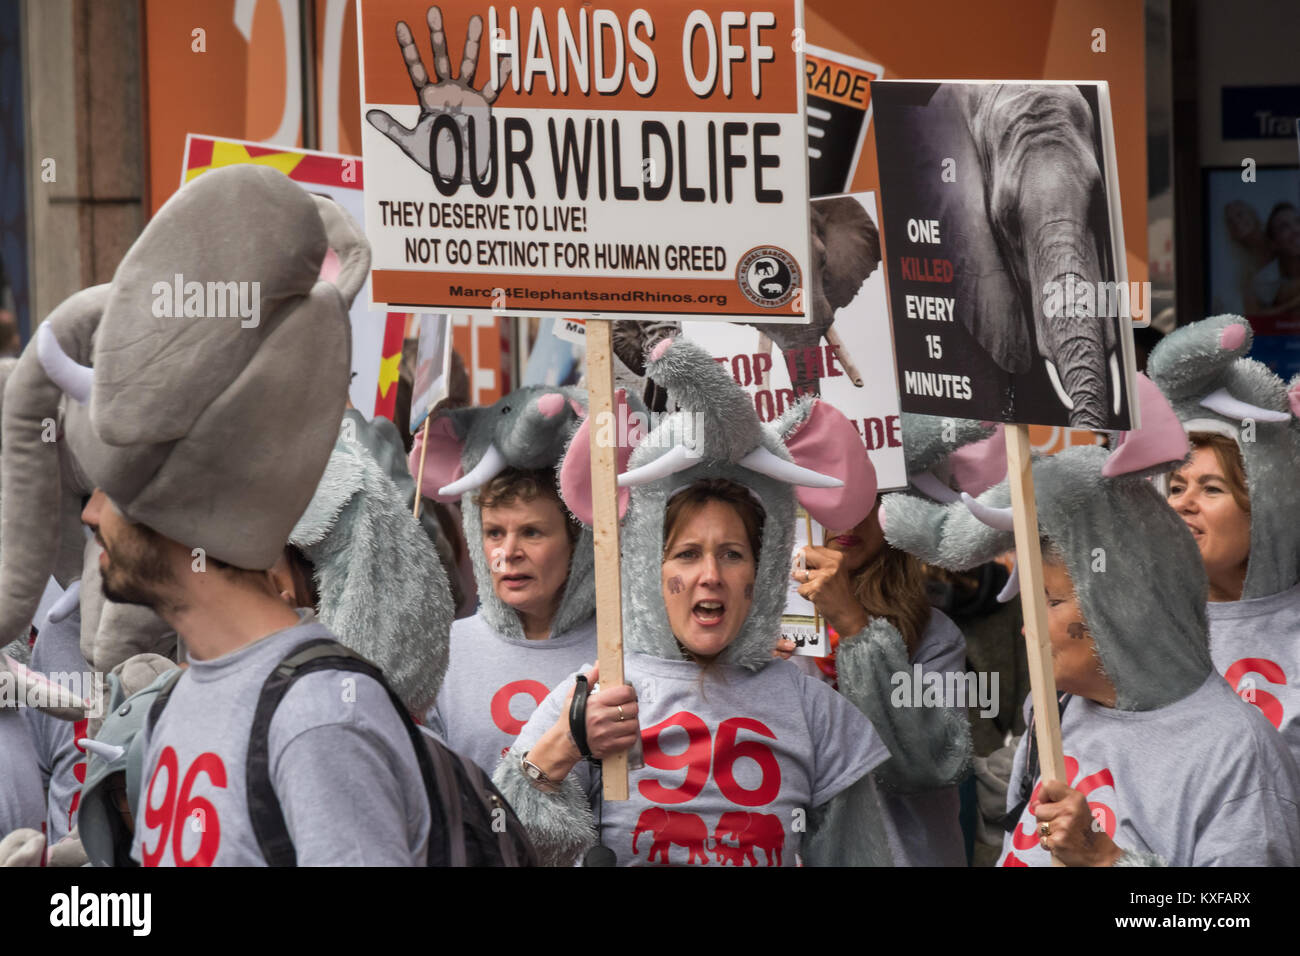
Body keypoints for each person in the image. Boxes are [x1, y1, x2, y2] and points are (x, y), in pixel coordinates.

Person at [20, 165, 438, 866]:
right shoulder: (179, 699)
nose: (90, 512)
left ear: (183, 501)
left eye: (111, 490)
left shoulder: (318, 719)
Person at [493, 337, 968, 866]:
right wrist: (564, 746)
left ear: (761, 575)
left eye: (733, 554)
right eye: (688, 554)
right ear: (652, 567)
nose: (710, 576)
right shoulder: (595, 695)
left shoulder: (816, 711)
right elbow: (501, 847)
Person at [883, 411, 1300, 865]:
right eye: (1177, 487)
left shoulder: (1237, 755)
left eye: (1053, 601)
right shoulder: (1059, 709)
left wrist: (1105, 859)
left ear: (1122, 607)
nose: (1027, 627)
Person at [1149, 315, 1300, 764]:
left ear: (1265, 509)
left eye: (1211, 488)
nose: (1184, 503)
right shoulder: (1144, 626)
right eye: (1176, 487)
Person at [794, 498, 969, 867]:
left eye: (869, 501)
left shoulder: (936, 636)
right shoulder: (767, 628)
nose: (849, 519)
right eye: (831, 499)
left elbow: (932, 765)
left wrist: (855, 627)